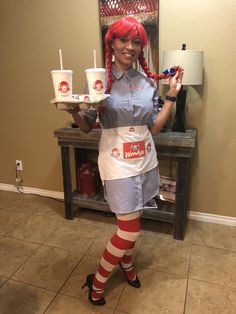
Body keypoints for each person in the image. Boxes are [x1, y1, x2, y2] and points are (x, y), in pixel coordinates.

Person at [68, 16, 184, 306]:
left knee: (135, 220)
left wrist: (170, 97)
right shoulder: (99, 79)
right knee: (129, 228)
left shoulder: (147, 82)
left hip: (144, 157)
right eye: (123, 40)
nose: (130, 47)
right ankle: (97, 281)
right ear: (112, 43)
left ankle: (128, 264)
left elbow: (154, 128)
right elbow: (86, 126)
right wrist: (72, 111)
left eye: (136, 42)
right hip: (117, 160)